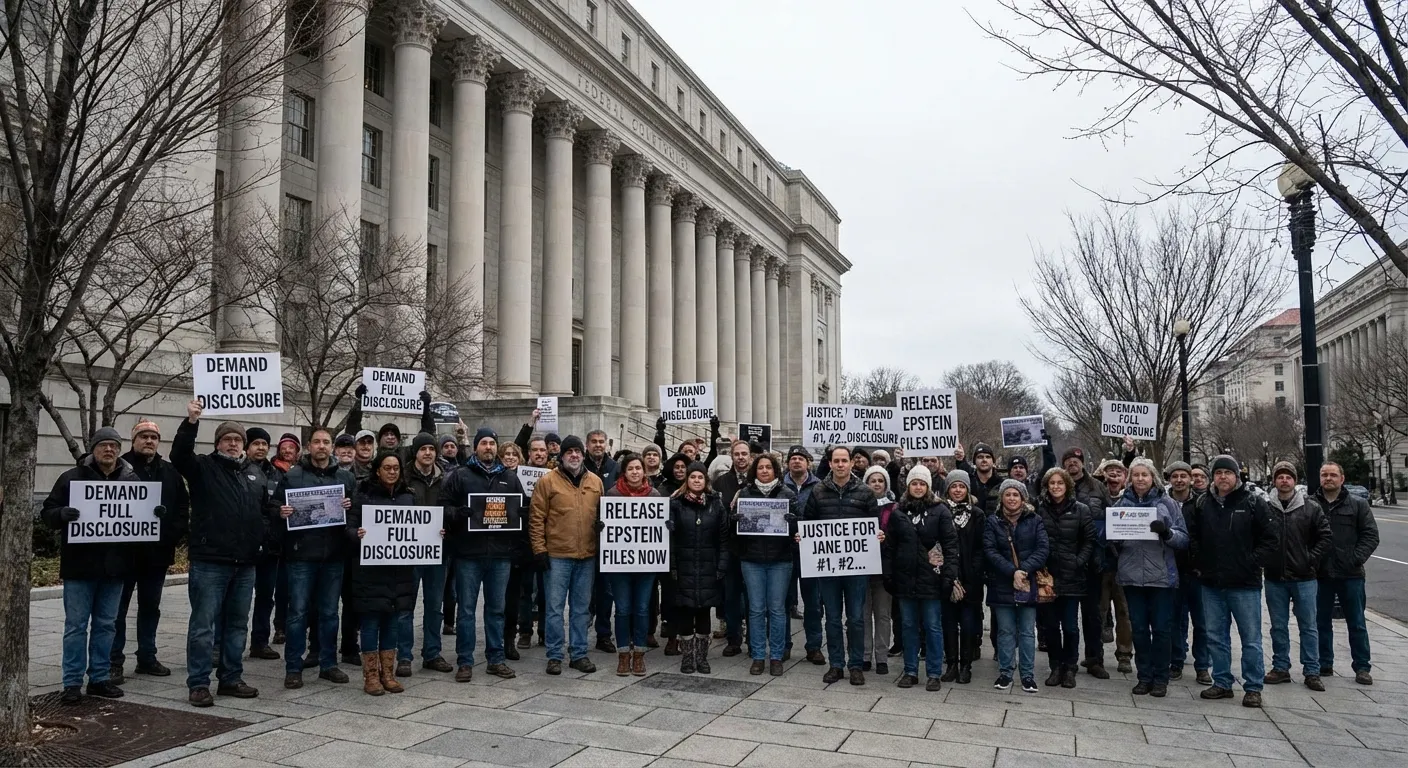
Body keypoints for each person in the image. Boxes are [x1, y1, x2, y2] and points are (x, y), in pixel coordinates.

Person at [171, 401, 269, 707]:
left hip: (245, 563)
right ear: (217, 444)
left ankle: (230, 677)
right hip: (211, 562)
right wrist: (191, 421)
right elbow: (178, 456)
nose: (233, 443)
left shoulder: (252, 473)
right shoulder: (203, 467)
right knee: (203, 626)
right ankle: (199, 683)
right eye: (227, 439)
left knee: (238, 624)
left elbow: (263, 510)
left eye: (238, 440)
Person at [43, 427, 147, 704]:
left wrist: (154, 514)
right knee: (76, 626)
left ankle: (99, 678)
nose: (109, 450)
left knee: (106, 625)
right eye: (103, 446)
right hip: (79, 567)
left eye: (114, 445)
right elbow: (47, 513)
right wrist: (61, 514)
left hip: (115, 568)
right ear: (93, 449)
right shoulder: (71, 478)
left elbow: (140, 521)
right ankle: (72, 682)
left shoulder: (132, 481)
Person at [1186, 454, 1275, 708]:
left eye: (1227, 472)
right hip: (1212, 583)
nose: (1222, 477)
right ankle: (1222, 682)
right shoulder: (1203, 503)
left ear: (1237, 476)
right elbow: (1194, 537)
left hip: (1244, 584)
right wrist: (1200, 562)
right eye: (1218, 472)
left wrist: (1251, 562)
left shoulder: (1254, 502)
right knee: (1215, 636)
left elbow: (1270, 539)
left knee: (1251, 639)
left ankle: (1253, 687)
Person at [440, 427, 527, 682]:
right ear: (476, 447)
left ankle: (496, 659)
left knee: (496, 609)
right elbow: (443, 506)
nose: (488, 447)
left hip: (500, 555)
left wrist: (519, 515)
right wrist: (458, 514)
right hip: (469, 554)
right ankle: (465, 661)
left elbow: (522, 507)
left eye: (492, 443)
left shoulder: (509, 477)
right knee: (466, 610)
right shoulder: (461, 475)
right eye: (484, 443)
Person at [275, 427, 357, 689]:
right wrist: (281, 511)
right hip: (301, 555)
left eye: (326, 442)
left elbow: (357, 513)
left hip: (334, 555)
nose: (321, 446)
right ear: (308, 446)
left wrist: (350, 507)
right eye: (317, 442)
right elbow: (273, 506)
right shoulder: (293, 476)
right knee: (298, 612)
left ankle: (328, 664)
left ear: (331, 447)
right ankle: (293, 667)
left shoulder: (345, 478)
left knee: (330, 613)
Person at [111, 420, 189, 683]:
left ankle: (147, 656)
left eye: (153, 437)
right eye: (143, 436)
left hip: (156, 554)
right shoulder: (117, 468)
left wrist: (168, 535)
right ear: (134, 440)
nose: (149, 441)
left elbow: (181, 508)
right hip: (122, 555)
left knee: (150, 608)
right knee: (117, 610)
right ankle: (114, 661)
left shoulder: (169, 472)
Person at [803, 445, 884, 686]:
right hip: (827, 569)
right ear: (830, 464)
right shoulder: (817, 491)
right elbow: (808, 523)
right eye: (836, 460)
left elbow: (874, 524)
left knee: (857, 618)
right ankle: (836, 665)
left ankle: (856, 665)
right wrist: (803, 537)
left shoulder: (865, 492)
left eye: (844, 460)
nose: (840, 464)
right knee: (833, 619)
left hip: (857, 569)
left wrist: (878, 535)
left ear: (851, 463)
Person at [530, 435, 605, 675]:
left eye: (577, 452)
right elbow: (536, 518)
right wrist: (539, 550)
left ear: (583, 455)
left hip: (587, 555)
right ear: (561, 456)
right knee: (554, 608)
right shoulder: (547, 481)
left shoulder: (595, 481)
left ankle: (579, 653)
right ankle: (554, 655)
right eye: (569, 452)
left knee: (581, 608)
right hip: (557, 556)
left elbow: (603, 516)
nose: (574, 455)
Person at [1113, 458, 1188, 698]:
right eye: (1136, 475)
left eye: (1145, 474)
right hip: (1132, 577)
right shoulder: (1121, 503)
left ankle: (1161, 678)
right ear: (1130, 478)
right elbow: (1113, 538)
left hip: (1161, 577)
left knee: (1162, 630)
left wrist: (1167, 533)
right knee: (1140, 630)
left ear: (1152, 476)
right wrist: (1112, 537)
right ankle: (1143, 676)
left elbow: (1183, 538)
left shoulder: (1168, 504)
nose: (1141, 479)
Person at [882, 464, 959, 691]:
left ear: (928, 486)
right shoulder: (898, 512)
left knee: (933, 626)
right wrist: (889, 574)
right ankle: (910, 670)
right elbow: (890, 546)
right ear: (908, 486)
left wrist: (949, 575)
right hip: (905, 579)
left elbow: (950, 545)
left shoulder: (940, 510)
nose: (918, 487)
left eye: (922, 484)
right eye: (914, 483)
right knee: (908, 625)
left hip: (932, 580)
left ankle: (934, 672)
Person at [348, 451, 416, 695]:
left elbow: (417, 527)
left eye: (396, 468)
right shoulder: (363, 495)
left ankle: (388, 673)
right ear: (377, 470)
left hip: (398, 571)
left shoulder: (408, 497)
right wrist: (356, 535)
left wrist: (433, 535)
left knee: (392, 623)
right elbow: (349, 527)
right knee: (370, 623)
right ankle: (371, 676)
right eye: (387, 468)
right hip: (370, 571)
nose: (392, 472)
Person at [1263, 461, 1330, 691]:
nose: (1284, 480)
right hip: (1274, 578)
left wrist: (1310, 559)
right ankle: (1281, 667)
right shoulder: (1265, 507)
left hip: (1304, 577)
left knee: (1308, 626)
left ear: (1295, 480)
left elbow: (1325, 537)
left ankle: (1312, 670)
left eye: (1288, 476)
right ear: (1274, 481)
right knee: (1278, 626)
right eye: (1280, 477)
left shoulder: (1310, 507)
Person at [729, 453, 797, 676]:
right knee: (756, 609)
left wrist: (793, 522)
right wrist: (735, 521)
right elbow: (732, 532)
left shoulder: (787, 494)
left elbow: (799, 529)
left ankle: (776, 656)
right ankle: (758, 655)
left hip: (780, 560)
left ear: (776, 471)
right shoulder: (745, 494)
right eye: (761, 468)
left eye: (769, 467)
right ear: (754, 471)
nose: (765, 471)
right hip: (752, 560)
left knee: (777, 609)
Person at [1315, 462, 1380, 685]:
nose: (1328, 478)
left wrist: (1355, 559)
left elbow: (1370, 536)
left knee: (1357, 622)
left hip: (1351, 575)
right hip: (1320, 575)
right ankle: (1324, 663)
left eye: (1333, 475)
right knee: (1321, 622)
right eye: (1324, 475)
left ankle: (1362, 667)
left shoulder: (1358, 505)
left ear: (1342, 479)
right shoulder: (1311, 504)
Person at [983, 480, 1049, 693]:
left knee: (1028, 632)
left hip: (1027, 582)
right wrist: (1011, 571)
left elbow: (1042, 549)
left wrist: (1024, 571)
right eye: (1008, 494)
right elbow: (990, 550)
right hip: (1002, 582)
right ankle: (1005, 672)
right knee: (1005, 631)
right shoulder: (993, 522)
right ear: (1001, 497)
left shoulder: (1035, 520)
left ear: (1023, 498)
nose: (1011, 498)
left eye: (1016, 495)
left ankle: (1028, 675)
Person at [397, 433, 453, 676]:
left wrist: (447, 525)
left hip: (437, 551)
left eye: (432, 449)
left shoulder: (446, 479)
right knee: (405, 606)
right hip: (408, 552)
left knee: (434, 605)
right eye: (423, 449)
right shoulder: (403, 478)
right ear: (416, 453)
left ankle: (432, 653)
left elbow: (452, 509)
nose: (428, 453)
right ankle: (404, 656)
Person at [1035, 467, 1096, 689]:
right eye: (1052, 483)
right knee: (1050, 627)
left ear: (1067, 485)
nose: (1056, 487)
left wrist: (1079, 561)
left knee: (1070, 626)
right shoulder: (1039, 510)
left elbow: (1090, 540)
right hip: (1047, 577)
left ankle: (1070, 666)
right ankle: (1055, 666)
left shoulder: (1081, 510)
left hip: (1072, 576)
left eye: (1060, 483)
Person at [603, 455, 662, 676]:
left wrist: (665, 525)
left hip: (645, 564)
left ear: (644, 472)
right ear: (624, 472)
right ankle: (623, 654)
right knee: (623, 610)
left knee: (641, 609)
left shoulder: (654, 495)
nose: (635, 472)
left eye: (639, 468)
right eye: (631, 469)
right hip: (620, 564)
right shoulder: (613, 494)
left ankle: (639, 654)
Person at [669, 462, 729, 674]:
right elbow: (671, 539)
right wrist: (672, 566)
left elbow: (723, 538)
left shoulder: (716, 504)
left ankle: (702, 657)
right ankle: (687, 657)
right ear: (687, 480)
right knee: (685, 613)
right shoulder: (675, 504)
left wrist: (721, 565)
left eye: (700, 477)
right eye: (692, 477)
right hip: (683, 567)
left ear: (706, 481)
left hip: (708, 567)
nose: (696, 480)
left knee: (704, 613)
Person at [1060, 447, 1111, 679]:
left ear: (1082, 463)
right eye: (1068, 461)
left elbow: (1110, 517)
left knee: (1093, 614)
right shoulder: (1057, 486)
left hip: (1092, 560)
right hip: (1066, 561)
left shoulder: (1097, 487)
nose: (1073, 464)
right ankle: (1067, 660)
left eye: (1076, 461)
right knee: (1068, 618)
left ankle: (1094, 659)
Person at [1165, 460, 1210, 684]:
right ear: (1169, 480)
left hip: (1198, 571)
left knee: (1202, 622)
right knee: (1174, 620)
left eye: (1184, 476)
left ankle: (1202, 665)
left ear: (1190, 479)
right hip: (1172, 570)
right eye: (1175, 476)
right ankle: (1176, 661)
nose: (1180, 480)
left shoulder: (1202, 503)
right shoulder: (1164, 503)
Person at [243, 427, 285, 664]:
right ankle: (223, 645)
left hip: (270, 546)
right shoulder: (238, 471)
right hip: (244, 547)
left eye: (264, 444)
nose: (260, 448)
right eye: (256, 443)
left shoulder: (277, 474)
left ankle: (260, 642)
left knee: (266, 597)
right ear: (247, 446)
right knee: (237, 599)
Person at [940, 469, 984, 684]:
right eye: (954, 486)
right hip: (946, 577)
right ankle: (951, 664)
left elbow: (980, 548)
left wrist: (972, 574)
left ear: (967, 489)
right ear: (948, 488)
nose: (957, 490)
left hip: (970, 580)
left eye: (961, 486)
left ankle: (966, 665)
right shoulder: (939, 511)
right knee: (948, 624)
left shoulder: (977, 514)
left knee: (968, 624)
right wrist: (948, 574)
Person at [712, 440, 753, 657]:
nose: (741, 457)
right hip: (730, 547)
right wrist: (729, 517)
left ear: (750, 456)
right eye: (737, 454)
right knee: (731, 595)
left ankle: (753, 639)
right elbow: (715, 513)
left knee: (753, 597)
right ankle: (733, 638)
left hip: (754, 548)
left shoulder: (759, 480)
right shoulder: (721, 483)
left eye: (744, 454)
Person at [1093, 457, 1133, 675]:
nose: (1114, 475)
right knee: (1097, 610)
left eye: (1119, 472)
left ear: (1125, 477)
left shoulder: (1132, 499)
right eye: (1109, 472)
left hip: (1124, 564)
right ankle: (1096, 654)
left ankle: (1125, 654)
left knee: (1124, 612)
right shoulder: (1097, 494)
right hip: (1101, 563)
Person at [861, 465, 895, 675]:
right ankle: (865, 655)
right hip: (862, 567)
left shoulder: (894, 508)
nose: (876, 484)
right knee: (863, 614)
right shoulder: (858, 505)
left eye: (880, 481)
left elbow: (900, 536)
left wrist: (886, 538)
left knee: (883, 615)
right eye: (872, 480)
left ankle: (881, 657)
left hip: (884, 569)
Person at [967, 443, 1004, 514]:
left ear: (993, 461)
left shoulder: (1002, 484)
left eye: (988, 457)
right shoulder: (968, 484)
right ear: (974, 461)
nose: (984, 460)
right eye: (980, 457)